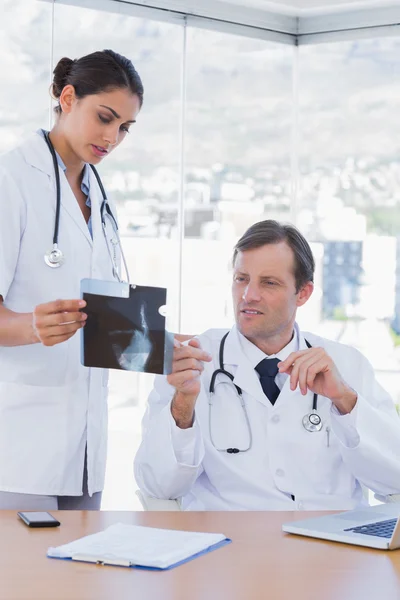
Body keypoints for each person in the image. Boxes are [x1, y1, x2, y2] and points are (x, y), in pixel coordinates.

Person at [135, 220, 400, 510]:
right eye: (241, 279)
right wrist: (183, 406)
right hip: (228, 544)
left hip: (332, 545)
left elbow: (394, 480)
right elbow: (158, 487)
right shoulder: (190, 362)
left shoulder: (348, 364)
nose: (249, 295)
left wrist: (345, 401)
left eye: (269, 283)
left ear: (303, 293)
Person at [0, 49, 143, 509]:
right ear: (67, 97)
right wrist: (32, 328)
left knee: (79, 576)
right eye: (105, 118)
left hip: (85, 447)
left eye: (124, 127)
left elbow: (99, 313)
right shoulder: (11, 179)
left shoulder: (97, 191)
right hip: (18, 444)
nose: (113, 137)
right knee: (24, 580)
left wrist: (153, 343)